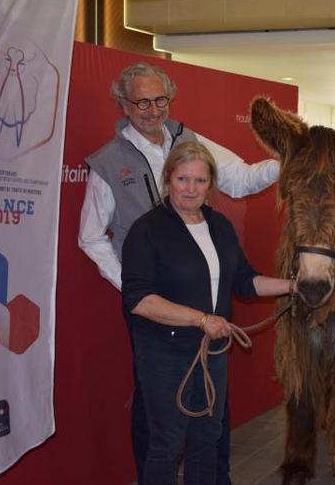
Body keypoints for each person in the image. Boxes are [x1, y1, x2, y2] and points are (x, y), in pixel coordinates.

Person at [78, 62, 279, 484]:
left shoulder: (190, 140)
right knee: (160, 424)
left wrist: (289, 161)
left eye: (161, 100)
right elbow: (91, 237)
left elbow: (241, 179)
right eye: (142, 102)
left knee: (210, 419)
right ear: (123, 104)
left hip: (205, 309)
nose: (153, 111)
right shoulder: (108, 162)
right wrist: (138, 288)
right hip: (156, 316)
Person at [121, 141, 292, 485]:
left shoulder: (219, 226)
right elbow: (139, 299)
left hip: (211, 353)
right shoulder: (147, 229)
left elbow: (245, 281)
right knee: (167, 444)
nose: (191, 189)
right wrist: (200, 319)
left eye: (200, 181)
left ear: (210, 185)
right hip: (164, 354)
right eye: (183, 179)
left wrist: (295, 286)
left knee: (206, 440)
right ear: (167, 180)